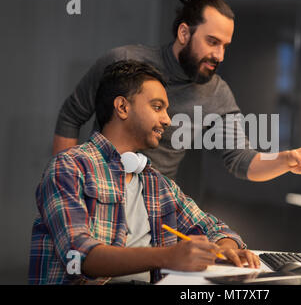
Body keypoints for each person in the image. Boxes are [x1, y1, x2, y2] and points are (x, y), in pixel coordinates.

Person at [52, 0, 301, 184]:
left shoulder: (217, 93)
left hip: (154, 207)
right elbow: (71, 116)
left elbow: (241, 159)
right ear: (184, 32)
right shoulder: (121, 61)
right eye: (212, 42)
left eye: (225, 46)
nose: (219, 55)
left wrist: (286, 160)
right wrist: (67, 187)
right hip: (99, 193)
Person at [29, 60, 260, 285]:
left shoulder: (157, 184)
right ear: (122, 107)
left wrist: (226, 248)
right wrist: (168, 256)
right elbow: (78, 258)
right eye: (157, 107)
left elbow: (215, 228)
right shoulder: (68, 167)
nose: (167, 120)